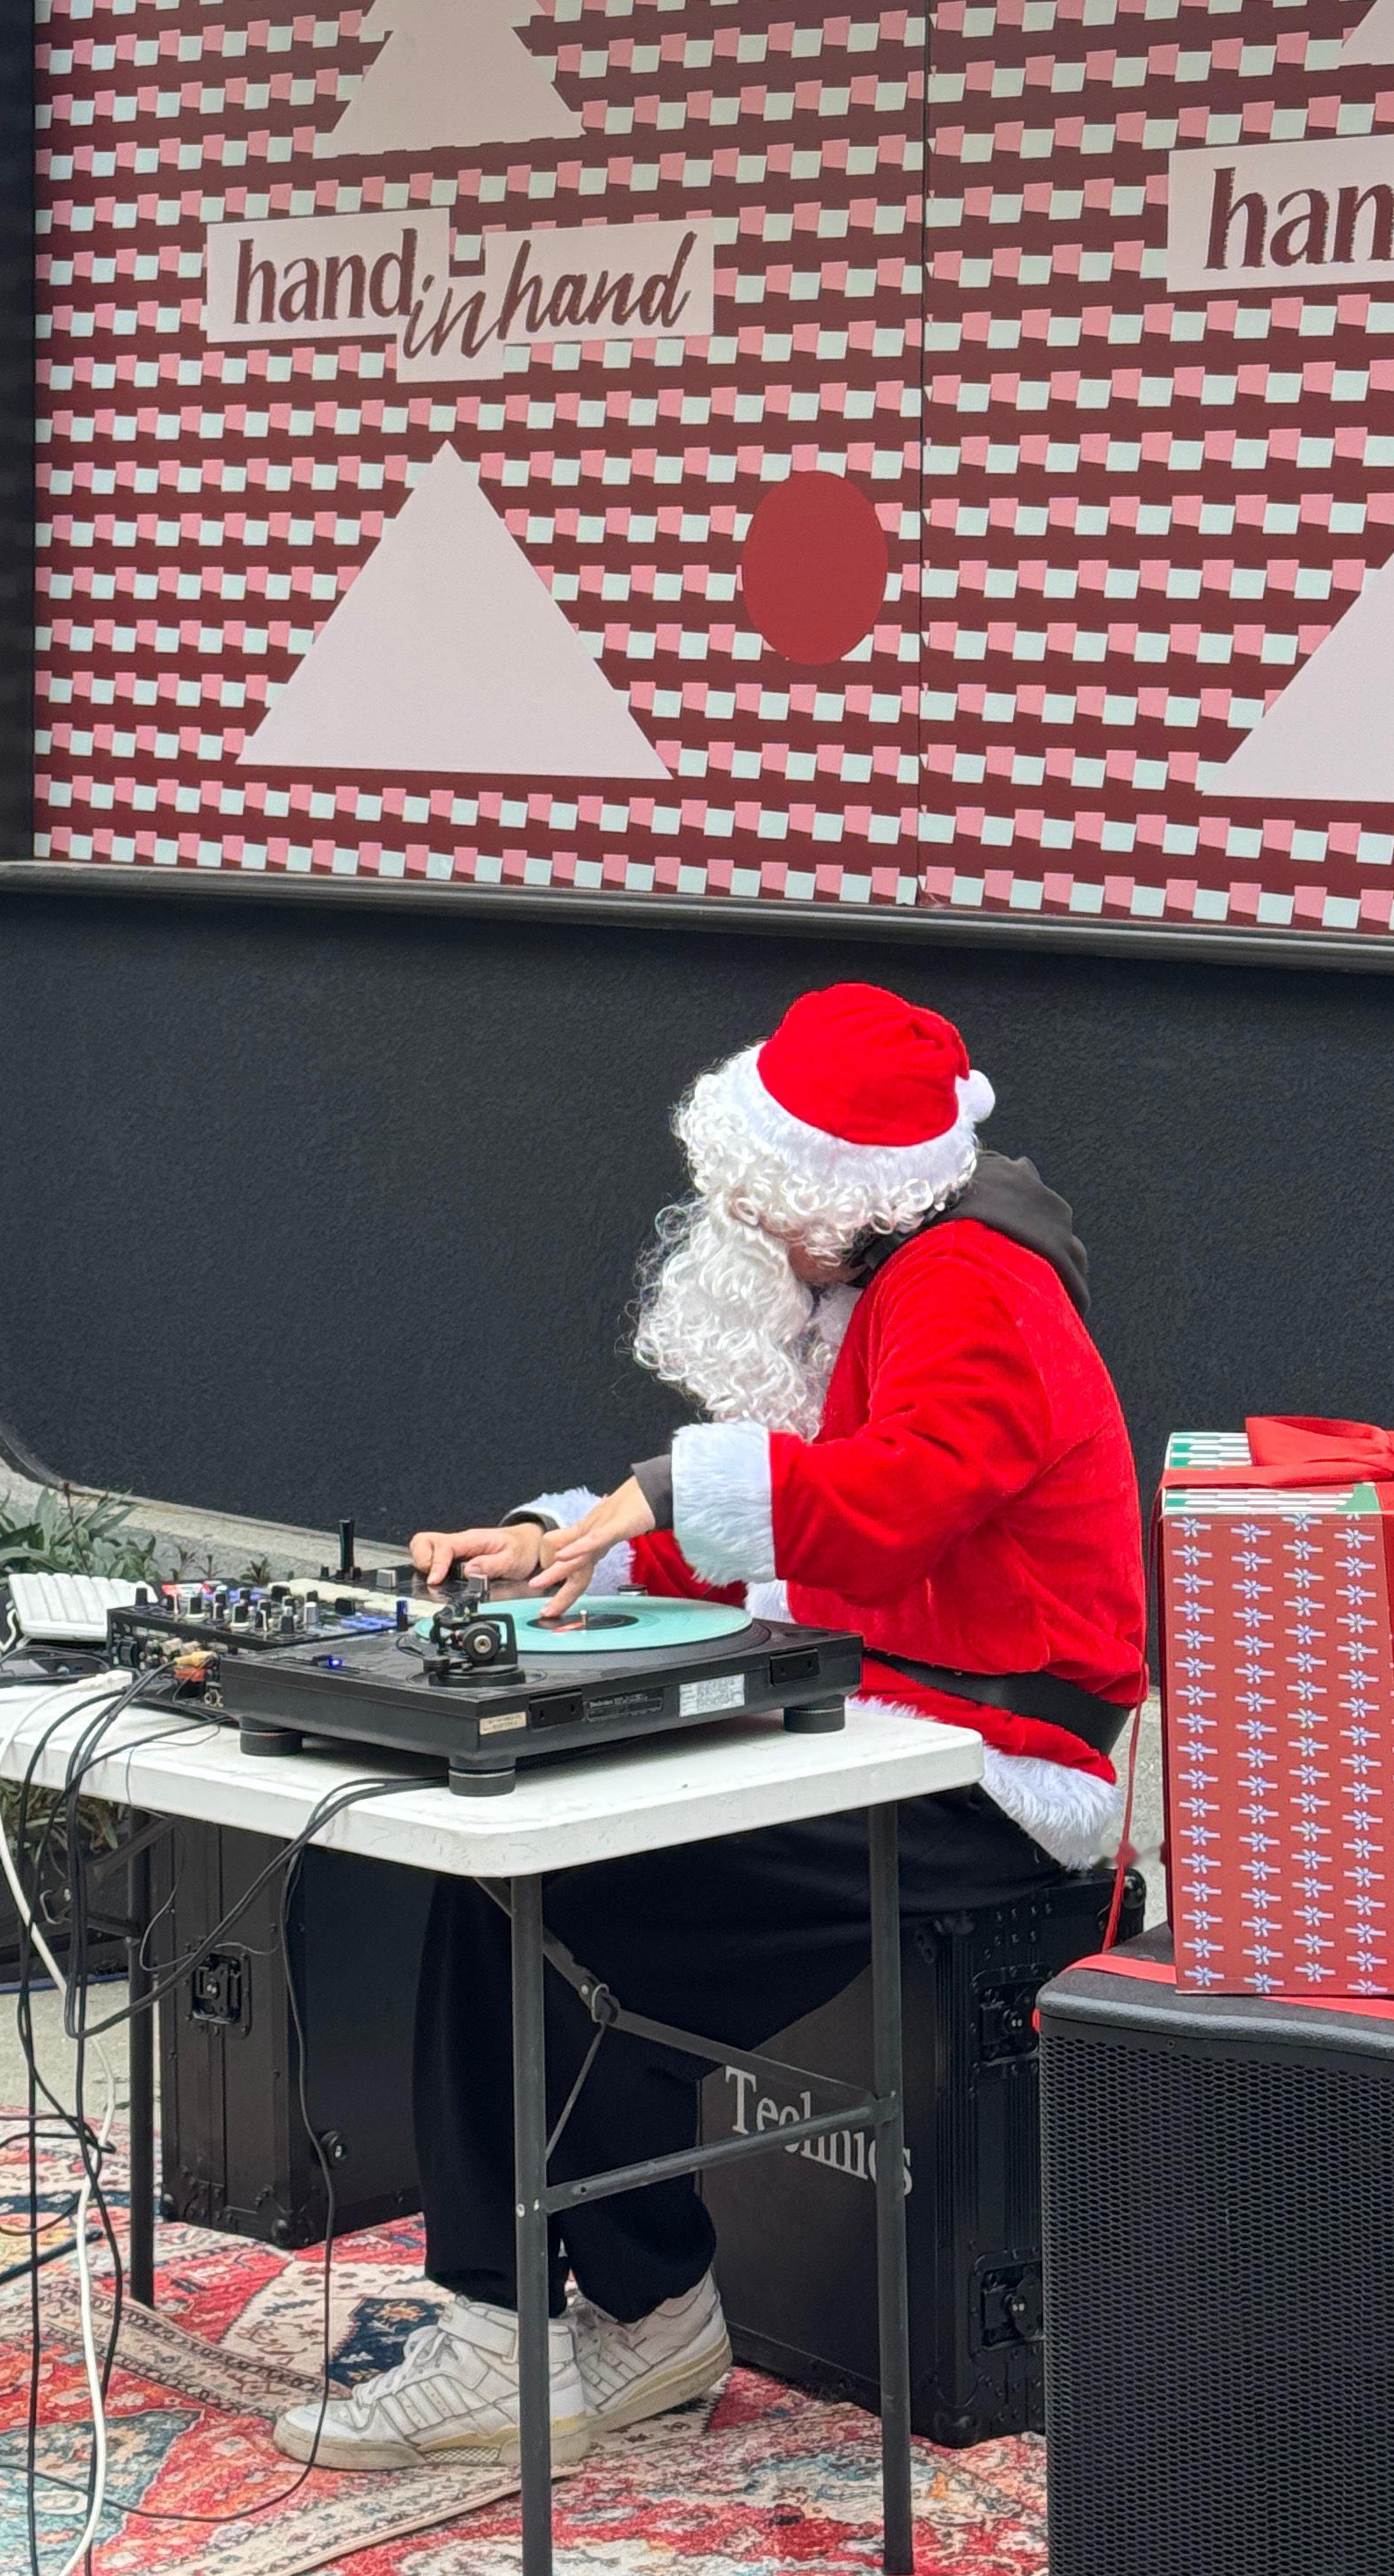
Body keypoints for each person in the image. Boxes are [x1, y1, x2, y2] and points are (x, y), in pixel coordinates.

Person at [273, 979, 1148, 2471]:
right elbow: (802, 1543)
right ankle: (643, 2310)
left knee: (540, 1890)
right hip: (900, 1721)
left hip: (991, 1774)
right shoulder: (896, 1277)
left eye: (756, 1196)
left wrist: (662, 1493)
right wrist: (565, 1548)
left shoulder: (969, 1285)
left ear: (835, 1190)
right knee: (543, 1886)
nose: (736, 1222)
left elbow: (887, 1504)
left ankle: (520, 2325)